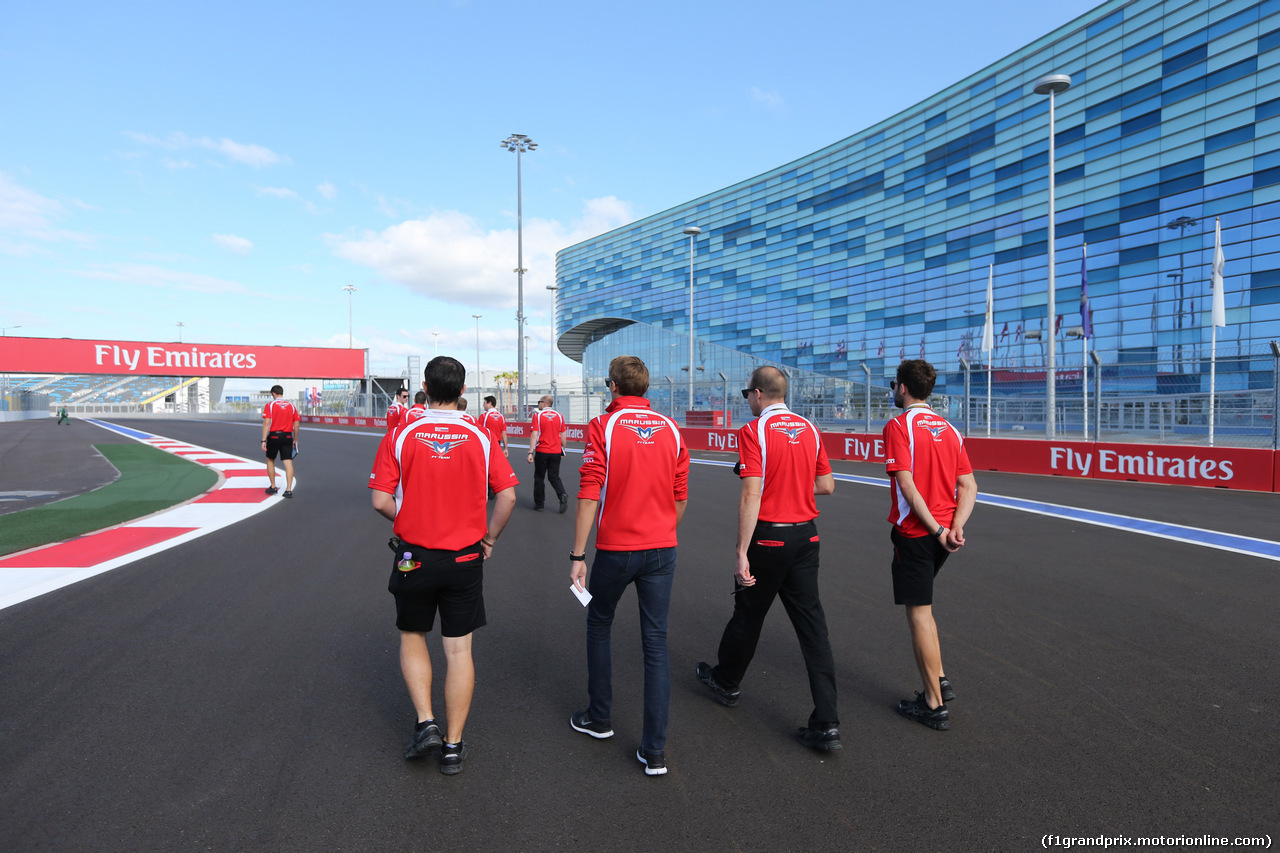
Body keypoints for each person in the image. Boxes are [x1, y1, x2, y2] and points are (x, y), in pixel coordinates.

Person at [369, 356, 518, 775]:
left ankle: (425, 724)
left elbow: (381, 499)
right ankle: (453, 746)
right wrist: (489, 538)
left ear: (425, 387)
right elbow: (506, 496)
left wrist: (408, 521)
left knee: (413, 634)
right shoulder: (480, 434)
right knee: (459, 649)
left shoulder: (402, 433)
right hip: (465, 556)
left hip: (414, 555)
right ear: (463, 390)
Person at [695, 366, 840, 751]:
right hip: (807, 536)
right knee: (814, 629)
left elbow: (750, 495)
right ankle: (827, 723)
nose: (747, 400)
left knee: (749, 612)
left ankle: (726, 681)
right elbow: (826, 485)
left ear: (758, 394)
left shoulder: (754, 430)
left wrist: (741, 552)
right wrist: (792, 484)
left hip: (770, 538)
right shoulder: (809, 429)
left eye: (746, 394)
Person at [568, 356, 689, 777]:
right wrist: (661, 532)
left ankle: (599, 718)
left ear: (614, 386)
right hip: (662, 549)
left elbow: (588, 494)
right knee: (656, 643)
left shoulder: (604, 426)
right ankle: (654, 750)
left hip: (617, 548)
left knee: (599, 621)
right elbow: (680, 495)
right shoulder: (672, 429)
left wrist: (578, 555)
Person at [883, 359, 977, 732]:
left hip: (918, 533)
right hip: (942, 536)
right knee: (925, 609)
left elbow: (907, 484)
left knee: (918, 614)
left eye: (894, 384)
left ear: (903, 387)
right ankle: (939, 678)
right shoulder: (950, 429)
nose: (893, 389)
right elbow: (969, 486)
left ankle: (933, 704)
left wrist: (938, 529)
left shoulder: (899, 425)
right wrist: (955, 528)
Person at [527, 395, 568, 513]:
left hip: (542, 451)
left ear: (544, 403)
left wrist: (530, 452)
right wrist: (562, 450)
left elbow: (534, 434)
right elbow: (563, 436)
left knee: (539, 478)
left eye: (539, 402)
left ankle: (539, 504)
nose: (538, 404)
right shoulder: (559, 416)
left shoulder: (538, 416)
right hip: (555, 451)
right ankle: (562, 494)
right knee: (554, 476)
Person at [260, 384, 299, 498]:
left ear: (273, 394)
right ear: (282, 393)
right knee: (288, 462)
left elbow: (266, 423)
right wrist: (295, 439)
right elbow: (296, 425)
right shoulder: (291, 406)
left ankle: (273, 486)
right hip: (288, 436)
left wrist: (263, 440)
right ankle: (288, 490)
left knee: (270, 460)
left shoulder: (270, 405)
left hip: (274, 436)